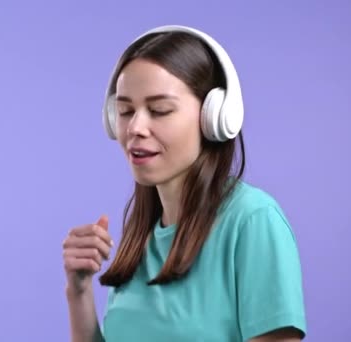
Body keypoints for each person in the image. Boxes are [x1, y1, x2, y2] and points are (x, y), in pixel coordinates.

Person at [62, 25, 307, 342]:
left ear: (213, 116)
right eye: (124, 111)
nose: (136, 127)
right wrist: (78, 291)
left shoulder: (252, 220)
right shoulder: (140, 240)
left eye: (159, 110)